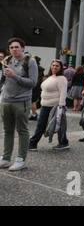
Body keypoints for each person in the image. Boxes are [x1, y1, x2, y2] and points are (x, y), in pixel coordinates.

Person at [0, 37, 38, 171]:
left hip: (22, 101)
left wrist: (14, 76)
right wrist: (3, 86)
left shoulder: (30, 61)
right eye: (11, 47)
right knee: (7, 130)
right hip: (6, 100)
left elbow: (33, 83)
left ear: (22, 48)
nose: (14, 50)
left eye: (16, 47)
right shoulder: (7, 60)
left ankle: (21, 159)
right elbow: (4, 78)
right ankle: (5, 158)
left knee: (22, 130)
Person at [29, 59, 69, 151]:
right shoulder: (51, 77)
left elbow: (63, 92)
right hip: (45, 105)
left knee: (44, 124)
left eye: (57, 66)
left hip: (54, 106)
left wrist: (61, 106)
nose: (54, 67)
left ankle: (32, 143)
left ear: (60, 68)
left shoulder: (61, 78)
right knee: (57, 125)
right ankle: (64, 142)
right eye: (53, 65)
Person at [29, 55, 45, 121]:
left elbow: (36, 79)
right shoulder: (40, 69)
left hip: (34, 87)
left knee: (33, 101)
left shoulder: (36, 68)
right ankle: (34, 114)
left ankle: (34, 115)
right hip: (37, 87)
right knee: (33, 101)